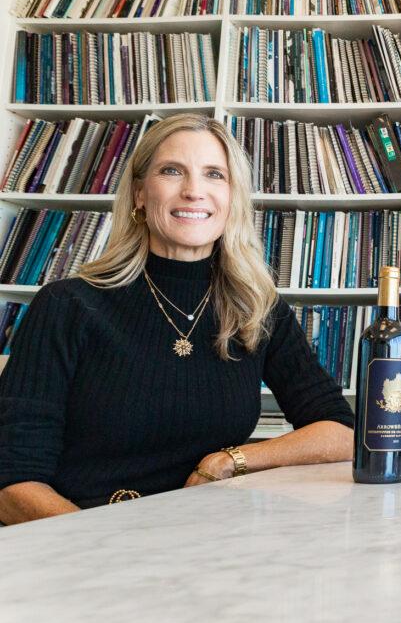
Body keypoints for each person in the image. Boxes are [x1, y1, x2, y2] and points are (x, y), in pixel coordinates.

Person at [0, 114, 354, 523]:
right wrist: (101, 548)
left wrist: (231, 460)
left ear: (232, 198)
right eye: (172, 171)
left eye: (214, 175)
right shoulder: (67, 305)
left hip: (201, 547)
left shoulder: (256, 309)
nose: (193, 191)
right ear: (138, 194)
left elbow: (340, 431)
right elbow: (12, 482)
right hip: (79, 544)